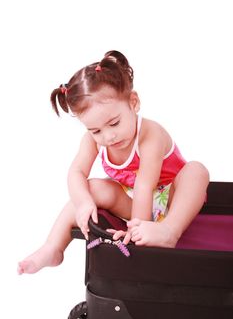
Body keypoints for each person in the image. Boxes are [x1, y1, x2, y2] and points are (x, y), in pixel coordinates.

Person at [18, 50, 209, 275]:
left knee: (196, 171)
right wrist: (84, 202)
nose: (108, 137)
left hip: (171, 200)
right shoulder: (92, 140)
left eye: (114, 123)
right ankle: (53, 246)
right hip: (130, 200)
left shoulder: (150, 135)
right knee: (91, 187)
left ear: (133, 102)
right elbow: (76, 172)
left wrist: (136, 229)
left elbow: (144, 185)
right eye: (96, 130)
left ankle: (169, 231)